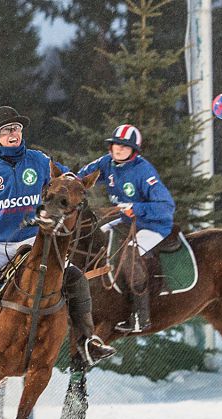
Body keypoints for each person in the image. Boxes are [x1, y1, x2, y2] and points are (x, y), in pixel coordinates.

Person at [0, 105, 116, 375]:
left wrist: (75, 184)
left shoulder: (39, 161)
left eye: (17, 129)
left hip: (35, 241)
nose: (14, 134)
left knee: (75, 278)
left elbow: (67, 180)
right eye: (7, 130)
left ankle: (88, 342)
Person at [76, 124, 175, 336]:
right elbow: (81, 177)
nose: (118, 149)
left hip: (153, 226)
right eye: (115, 145)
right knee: (95, 237)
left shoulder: (144, 171)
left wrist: (136, 208)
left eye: (124, 146)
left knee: (130, 252)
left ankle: (141, 316)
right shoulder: (107, 162)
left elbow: (166, 207)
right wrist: (70, 183)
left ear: (133, 150)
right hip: (125, 222)